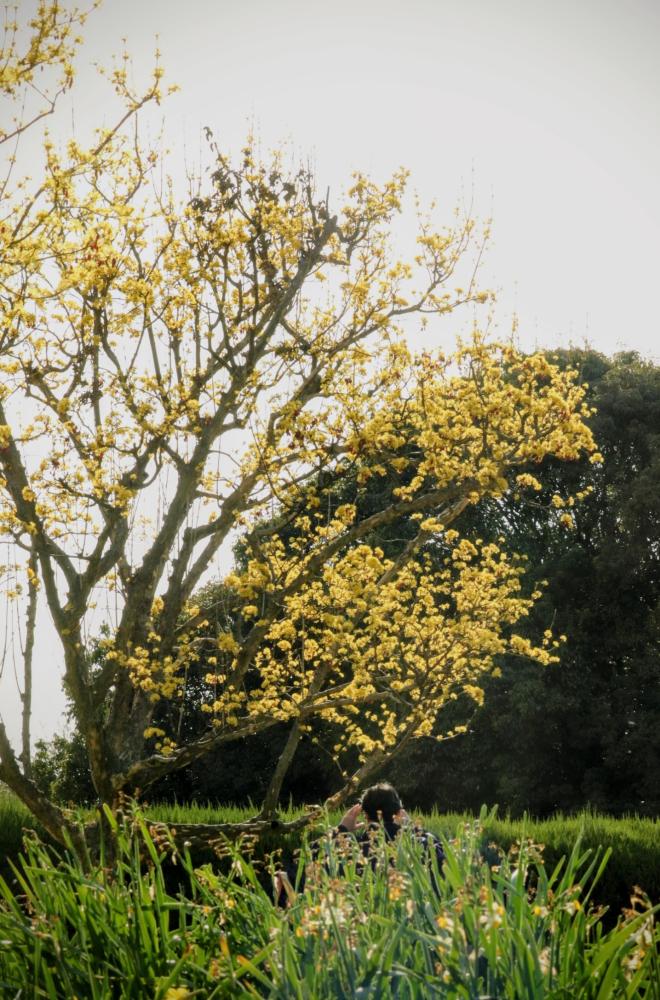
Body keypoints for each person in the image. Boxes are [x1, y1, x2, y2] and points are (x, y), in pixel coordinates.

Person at [275, 782, 444, 905]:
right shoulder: (419, 847)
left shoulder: (346, 850)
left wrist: (340, 830)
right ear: (399, 813)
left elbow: (299, 865)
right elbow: (442, 861)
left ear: (364, 815)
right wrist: (413, 830)